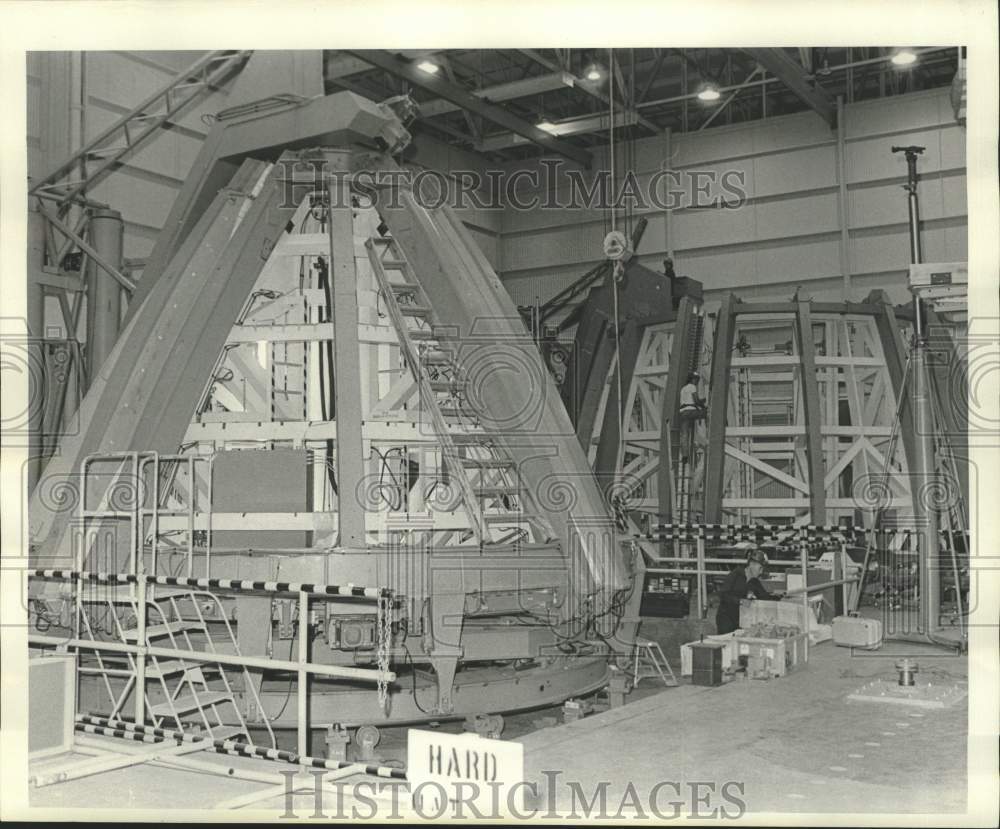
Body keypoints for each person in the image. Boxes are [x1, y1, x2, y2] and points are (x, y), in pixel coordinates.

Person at [715, 548, 780, 635]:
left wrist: (779, 597)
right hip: (725, 618)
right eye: (760, 568)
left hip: (740, 621)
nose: (761, 572)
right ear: (751, 564)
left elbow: (765, 598)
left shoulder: (754, 582)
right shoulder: (735, 574)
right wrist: (740, 601)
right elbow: (723, 594)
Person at [677, 372, 707, 461]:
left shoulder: (683, 389)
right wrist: (703, 406)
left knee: (684, 434)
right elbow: (696, 401)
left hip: (683, 413)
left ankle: (685, 455)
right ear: (693, 379)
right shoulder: (692, 387)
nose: (697, 382)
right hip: (691, 412)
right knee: (707, 414)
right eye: (696, 379)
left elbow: (686, 401)